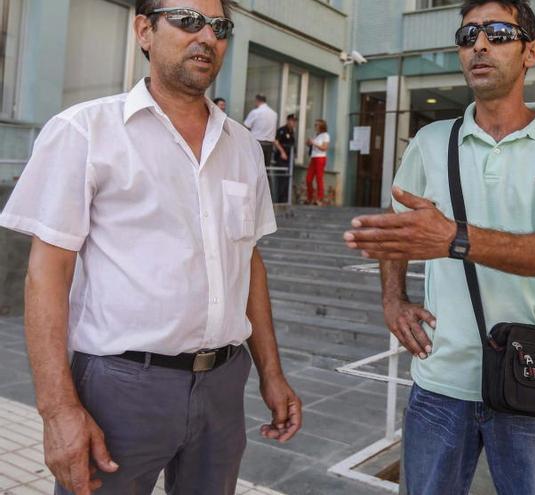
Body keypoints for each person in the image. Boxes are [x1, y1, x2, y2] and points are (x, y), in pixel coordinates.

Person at [0, 1, 303, 493]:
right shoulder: (84, 131)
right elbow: (46, 274)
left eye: (219, 26)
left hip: (224, 386)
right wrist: (57, 410)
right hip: (121, 387)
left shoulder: (244, 147)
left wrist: (272, 373)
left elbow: (249, 263)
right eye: (187, 21)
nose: (206, 36)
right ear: (144, 30)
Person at [344, 1, 535, 494]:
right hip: (439, 381)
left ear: (531, 51)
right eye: (468, 35)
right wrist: (393, 299)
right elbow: (399, 230)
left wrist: (454, 238)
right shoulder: (430, 140)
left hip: (531, 379)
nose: (480, 45)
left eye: (499, 33)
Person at [244, 93, 278, 168]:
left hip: (257, 143)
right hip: (269, 144)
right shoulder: (274, 114)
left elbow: (246, 126)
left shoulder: (255, 112)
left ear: (257, 100)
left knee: (255, 167)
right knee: (266, 168)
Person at [305, 119, 330, 205]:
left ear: (321, 126)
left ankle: (320, 198)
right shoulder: (316, 135)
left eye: (317, 125)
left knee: (319, 178)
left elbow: (325, 148)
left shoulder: (325, 135)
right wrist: (309, 143)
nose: (315, 126)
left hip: (320, 158)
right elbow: (312, 145)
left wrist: (314, 143)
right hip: (313, 157)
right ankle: (310, 197)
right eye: (315, 125)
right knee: (308, 179)